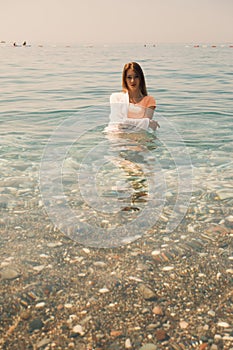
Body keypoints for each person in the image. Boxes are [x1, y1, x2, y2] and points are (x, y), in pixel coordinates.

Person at [106, 62, 160, 132]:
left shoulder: (149, 100)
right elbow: (118, 124)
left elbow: (144, 128)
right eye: (129, 77)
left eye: (136, 77)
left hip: (140, 138)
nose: (132, 81)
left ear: (141, 78)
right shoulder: (116, 98)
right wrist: (147, 123)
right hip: (120, 137)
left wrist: (145, 123)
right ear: (125, 79)